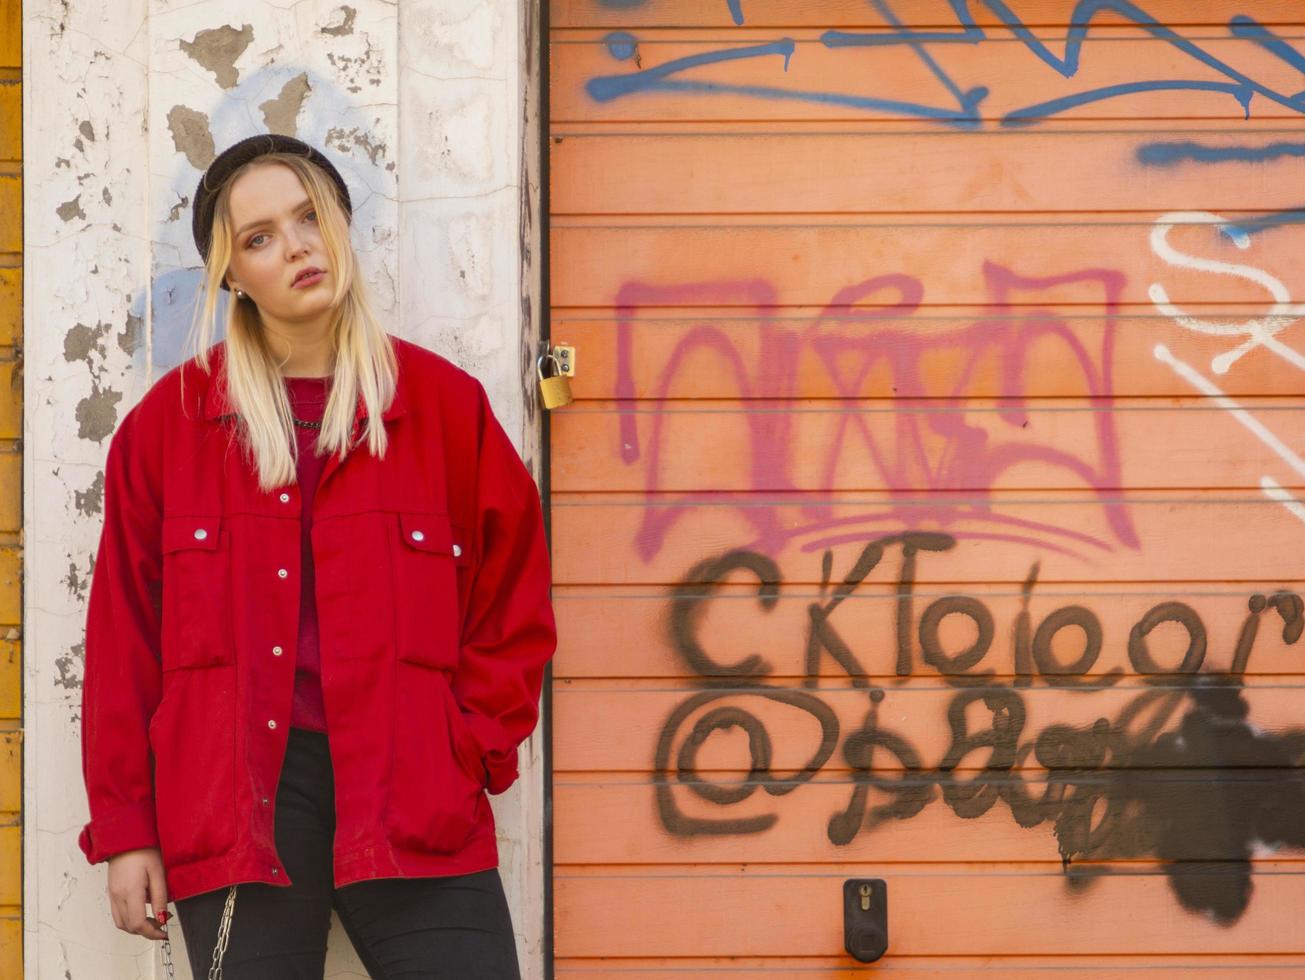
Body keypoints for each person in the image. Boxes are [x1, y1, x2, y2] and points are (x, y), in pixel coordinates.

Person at [76, 132, 557, 978]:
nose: (297, 246)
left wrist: (467, 748)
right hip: (235, 806)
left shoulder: (443, 410)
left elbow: (513, 601)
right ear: (231, 274)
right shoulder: (169, 429)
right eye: (260, 237)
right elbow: (125, 644)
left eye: (310, 217)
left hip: (415, 792)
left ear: (340, 225)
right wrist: (128, 832)